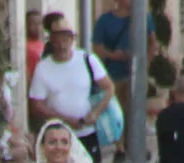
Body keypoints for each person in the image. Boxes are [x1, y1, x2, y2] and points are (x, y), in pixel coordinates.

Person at [28, 19, 119, 156]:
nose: (62, 45)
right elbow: (36, 105)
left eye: (66, 39)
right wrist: (65, 119)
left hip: (87, 132)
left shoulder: (87, 59)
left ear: (72, 40)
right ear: (51, 41)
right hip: (58, 136)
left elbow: (109, 87)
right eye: (58, 40)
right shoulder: (43, 68)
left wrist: (96, 112)